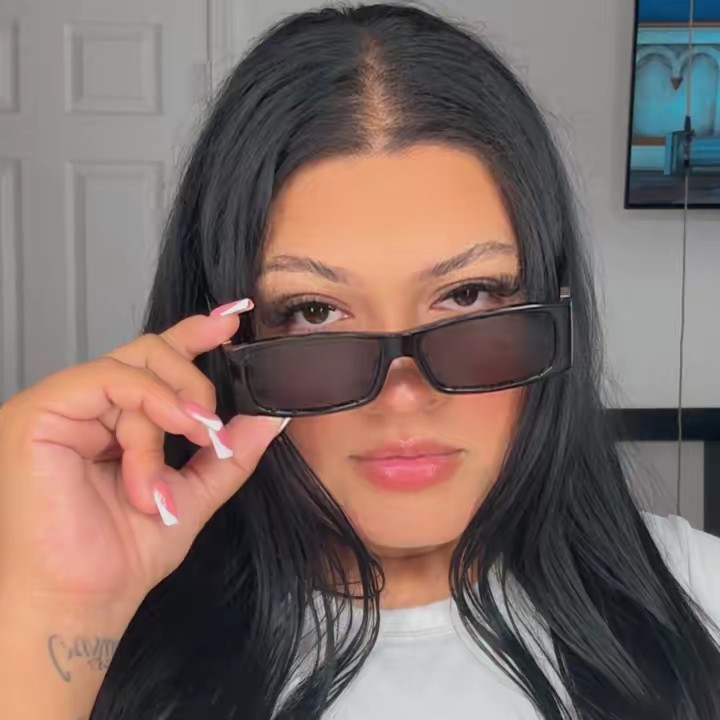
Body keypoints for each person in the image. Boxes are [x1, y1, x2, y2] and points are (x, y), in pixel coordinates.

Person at [1, 3, 720, 719]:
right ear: (224, 347)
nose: (401, 397)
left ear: (551, 309)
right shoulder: (85, 633)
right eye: (313, 311)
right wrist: (63, 606)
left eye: (468, 296)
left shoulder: (699, 596)